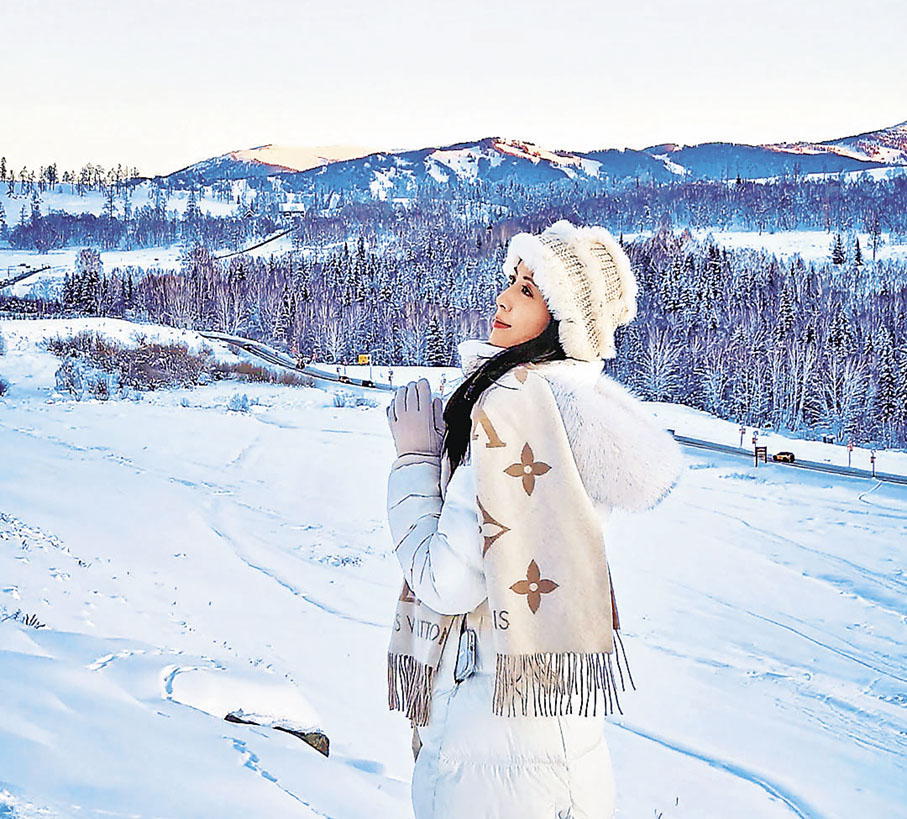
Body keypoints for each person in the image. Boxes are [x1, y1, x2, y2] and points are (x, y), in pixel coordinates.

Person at [385, 220, 684, 819]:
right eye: (511, 280)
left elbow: (447, 581)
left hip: (491, 750)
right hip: (558, 732)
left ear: (565, 321)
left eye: (528, 289)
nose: (502, 297)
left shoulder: (513, 417)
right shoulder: (574, 417)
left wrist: (416, 461)